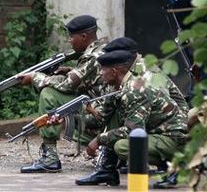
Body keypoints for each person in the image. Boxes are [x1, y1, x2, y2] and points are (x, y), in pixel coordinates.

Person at [75, 50, 188, 187]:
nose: (100, 73)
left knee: (122, 146)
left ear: (115, 71)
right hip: (159, 133)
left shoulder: (134, 90)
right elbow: (101, 119)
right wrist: (70, 119)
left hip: (174, 138)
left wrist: (99, 140)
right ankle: (107, 171)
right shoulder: (124, 85)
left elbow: (133, 130)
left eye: (103, 70)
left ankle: (174, 164)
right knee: (116, 118)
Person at [17, 15, 108, 173]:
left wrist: (35, 77)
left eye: (71, 37)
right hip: (105, 110)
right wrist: (70, 70)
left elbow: (68, 85)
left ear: (84, 36)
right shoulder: (102, 49)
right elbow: (89, 79)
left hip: (100, 115)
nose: (69, 41)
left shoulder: (92, 57)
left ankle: (50, 157)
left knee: (49, 94)